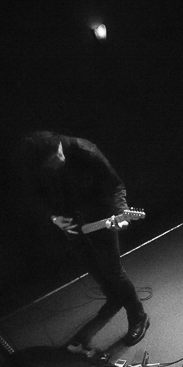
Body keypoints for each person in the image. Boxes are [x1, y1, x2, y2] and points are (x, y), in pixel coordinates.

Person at [20, 131, 149, 353]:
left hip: (102, 219)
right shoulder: (36, 166)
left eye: (57, 156)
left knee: (112, 269)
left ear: (59, 146)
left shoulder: (85, 151)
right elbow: (37, 197)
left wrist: (121, 214)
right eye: (49, 163)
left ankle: (138, 314)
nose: (56, 162)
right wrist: (54, 218)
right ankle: (113, 299)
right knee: (92, 266)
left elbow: (115, 186)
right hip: (72, 224)